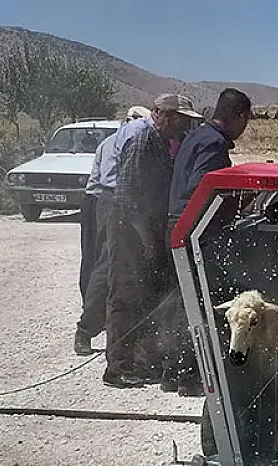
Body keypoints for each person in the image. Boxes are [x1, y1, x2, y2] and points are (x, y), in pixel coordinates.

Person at [97, 94, 202, 387]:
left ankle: (140, 361)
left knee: (143, 294)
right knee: (124, 295)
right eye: (179, 119)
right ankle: (118, 367)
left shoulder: (160, 141)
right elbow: (128, 195)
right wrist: (145, 238)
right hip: (129, 228)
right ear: (163, 114)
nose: (182, 127)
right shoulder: (143, 139)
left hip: (144, 225)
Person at [163, 88, 254, 396]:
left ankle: (172, 372)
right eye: (246, 119)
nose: (246, 126)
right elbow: (202, 189)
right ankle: (190, 377)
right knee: (202, 303)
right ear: (238, 115)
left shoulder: (197, 136)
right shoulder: (213, 144)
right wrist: (236, 203)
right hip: (195, 231)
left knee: (185, 302)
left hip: (180, 226)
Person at [75, 105, 152, 355]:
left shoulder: (110, 141)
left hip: (108, 201)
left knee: (110, 263)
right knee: (108, 264)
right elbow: (114, 183)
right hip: (114, 202)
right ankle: (87, 328)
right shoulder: (129, 140)